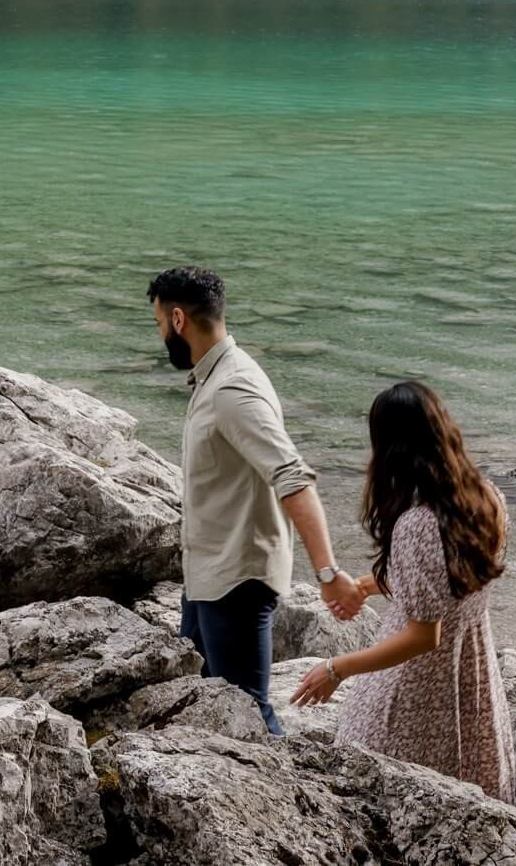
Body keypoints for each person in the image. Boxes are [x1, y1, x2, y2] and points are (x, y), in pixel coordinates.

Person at [149, 265, 365, 735]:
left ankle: (289, 802)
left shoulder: (233, 388)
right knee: (201, 702)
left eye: (159, 323)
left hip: (237, 580)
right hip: (207, 575)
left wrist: (327, 572)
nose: (161, 333)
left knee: (248, 713)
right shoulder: (213, 377)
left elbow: (294, 477)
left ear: (179, 320)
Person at [289, 380, 513, 801]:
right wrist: (366, 586)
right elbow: (449, 586)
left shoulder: (417, 524)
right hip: (471, 685)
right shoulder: (488, 499)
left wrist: (336, 668)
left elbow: (424, 636)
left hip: (413, 697)